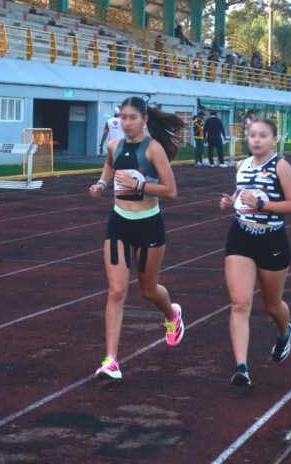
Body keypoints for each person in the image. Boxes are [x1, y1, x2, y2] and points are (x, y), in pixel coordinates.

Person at [89, 96, 186, 380]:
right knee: (116, 290)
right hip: (119, 222)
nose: (126, 122)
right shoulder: (114, 145)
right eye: (123, 117)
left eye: (132, 117)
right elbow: (110, 165)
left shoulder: (154, 149)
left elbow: (171, 191)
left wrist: (139, 185)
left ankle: (172, 315)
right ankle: (111, 361)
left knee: (148, 291)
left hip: (148, 225)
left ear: (144, 119)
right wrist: (101, 184)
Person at [219, 118, 291, 386]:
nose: (256, 140)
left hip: (272, 240)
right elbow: (242, 193)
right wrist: (230, 202)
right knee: (240, 302)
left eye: (262, 135)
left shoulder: (281, 166)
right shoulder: (241, 165)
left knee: (272, 305)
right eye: (252, 135)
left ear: (274, 140)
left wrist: (262, 204)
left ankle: (284, 332)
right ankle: (242, 368)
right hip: (241, 236)